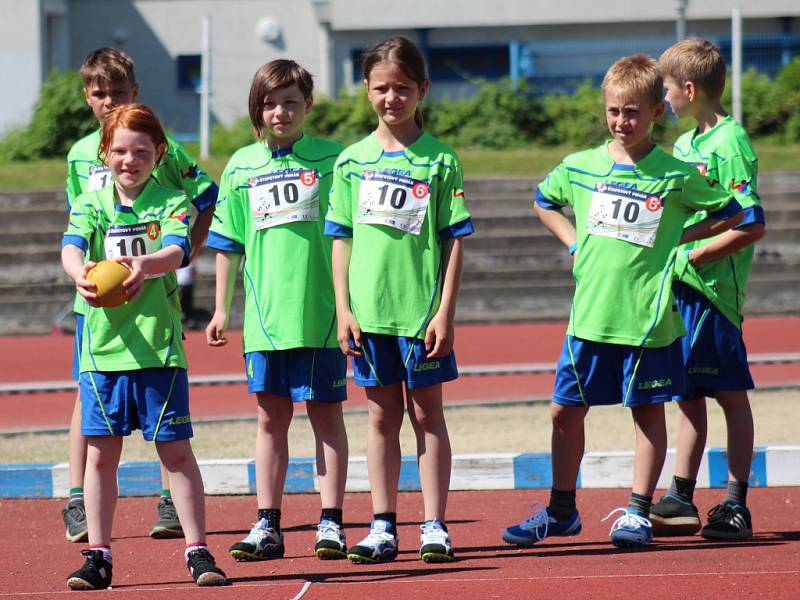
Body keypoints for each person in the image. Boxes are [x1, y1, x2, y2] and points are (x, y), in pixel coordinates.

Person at [501, 54, 743, 550]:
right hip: (588, 317)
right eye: (613, 111)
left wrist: (677, 236)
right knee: (563, 412)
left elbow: (732, 212)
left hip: (648, 320)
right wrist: (572, 243)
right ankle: (561, 511)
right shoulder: (580, 166)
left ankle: (636, 510)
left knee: (648, 413)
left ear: (657, 111)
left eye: (632, 112)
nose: (621, 121)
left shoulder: (675, 174)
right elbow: (544, 201)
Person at [61, 104, 227, 590]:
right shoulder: (91, 201)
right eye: (119, 151)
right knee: (99, 458)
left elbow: (178, 251)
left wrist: (145, 266)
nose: (129, 160)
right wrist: (79, 272)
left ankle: (197, 550)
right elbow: (71, 245)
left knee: (175, 453)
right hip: (103, 353)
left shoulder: (172, 200)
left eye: (140, 151)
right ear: (104, 154)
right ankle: (99, 556)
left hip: (158, 352)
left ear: (158, 154)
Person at [325, 36, 473, 564]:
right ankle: (383, 524)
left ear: (423, 90)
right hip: (368, 316)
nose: (392, 98)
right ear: (366, 90)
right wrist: (343, 309)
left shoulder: (441, 161)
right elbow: (340, 239)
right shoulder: (350, 162)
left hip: (419, 314)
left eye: (403, 89)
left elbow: (455, 240)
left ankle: (434, 524)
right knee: (381, 417)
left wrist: (444, 312)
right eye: (382, 88)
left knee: (427, 414)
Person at [205, 59, 350, 561]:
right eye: (270, 102)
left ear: (307, 105)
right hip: (265, 321)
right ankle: (267, 523)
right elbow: (227, 244)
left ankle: (331, 522)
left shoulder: (336, 160)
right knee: (271, 420)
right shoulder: (241, 166)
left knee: (326, 417)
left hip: (322, 317)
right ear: (257, 109)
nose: (280, 111)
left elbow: (350, 234)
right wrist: (222, 309)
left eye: (291, 101)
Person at [649, 39, 766, 540]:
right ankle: (681, 496)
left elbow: (751, 221)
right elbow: (692, 215)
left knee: (729, 394)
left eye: (667, 89)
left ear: (689, 89)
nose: (664, 99)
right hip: (681, 290)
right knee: (687, 394)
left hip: (715, 295)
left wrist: (694, 255)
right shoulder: (685, 146)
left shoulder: (730, 142)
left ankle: (736, 503)